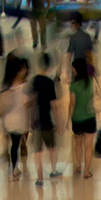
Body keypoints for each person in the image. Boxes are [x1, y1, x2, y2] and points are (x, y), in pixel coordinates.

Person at [0, 60, 31, 180]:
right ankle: (15, 169)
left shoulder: (7, 85)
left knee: (14, 144)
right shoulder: (25, 86)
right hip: (18, 119)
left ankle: (14, 168)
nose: (24, 71)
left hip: (10, 118)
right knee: (16, 144)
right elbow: (26, 104)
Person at [29, 53, 61, 184]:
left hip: (36, 121)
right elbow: (54, 105)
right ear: (50, 66)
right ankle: (53, 171)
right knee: (52, 147)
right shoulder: (49, 82)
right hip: (47, 120)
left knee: (38, 151)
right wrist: (58, 121)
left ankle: (40, 177)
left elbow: (31, 101)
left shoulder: (34, 80)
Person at [68, 53, 99, 179]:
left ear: (77, 69)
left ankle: (79, 166)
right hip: (90, 117)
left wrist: (68, 118)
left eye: (73, 68)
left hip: (77, 118)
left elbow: (72, 104)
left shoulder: (74, 85)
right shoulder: (90, 82)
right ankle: (86, 171)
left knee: (78, 143)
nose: (72, 70)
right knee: (88, 146)